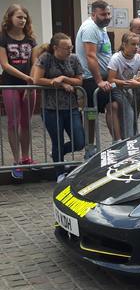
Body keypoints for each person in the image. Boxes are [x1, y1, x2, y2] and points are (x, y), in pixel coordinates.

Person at [32, 33, 85, 182]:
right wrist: (57, 84)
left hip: (71, 106)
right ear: (55, 48)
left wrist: (63, 78)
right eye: (66, 48)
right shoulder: (46, 58)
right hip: (50, 107)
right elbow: (37, 79)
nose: (70, 50)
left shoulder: (74, 59)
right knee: (57, 141)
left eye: (71, 47)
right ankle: (59, 172)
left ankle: (57, 155)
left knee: (79, 141)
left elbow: (79, 81)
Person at [0, 4, 37, 178]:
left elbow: (36, 62)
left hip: (29, 85)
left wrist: (33, 79)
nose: (22, 20)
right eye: (19, 17)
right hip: (11, 84)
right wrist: (25, 77)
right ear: (10, 18)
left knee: (26, 122)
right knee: (13, 123)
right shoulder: (3, 38)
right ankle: (16, 161)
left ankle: (26, 157)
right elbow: (5, 65)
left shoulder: (30, 39)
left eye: (24, 17)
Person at [75, 0, 113, 151]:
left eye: (108, 13)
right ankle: (90, 147)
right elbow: (91, 56)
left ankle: (116, 142)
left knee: (113, 106)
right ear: (94, 14)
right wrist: (99, 81)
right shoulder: (90, 28)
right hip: (91, 79)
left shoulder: (101, 27)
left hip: (104, 78)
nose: (107, 17)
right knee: (91, 114)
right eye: (103, 14)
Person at [107, 32, 140, 140]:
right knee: (129, 113)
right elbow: (110, 79)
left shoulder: (139, 58)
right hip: (118, 90)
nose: (136, 47)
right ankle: (126, 141)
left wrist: (138, 83)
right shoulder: (116, 58)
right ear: (124, 45)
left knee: (131, 116)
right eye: (133, 44)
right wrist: (126, 83)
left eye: (137, 44)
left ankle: (127, 140)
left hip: (132, 90)